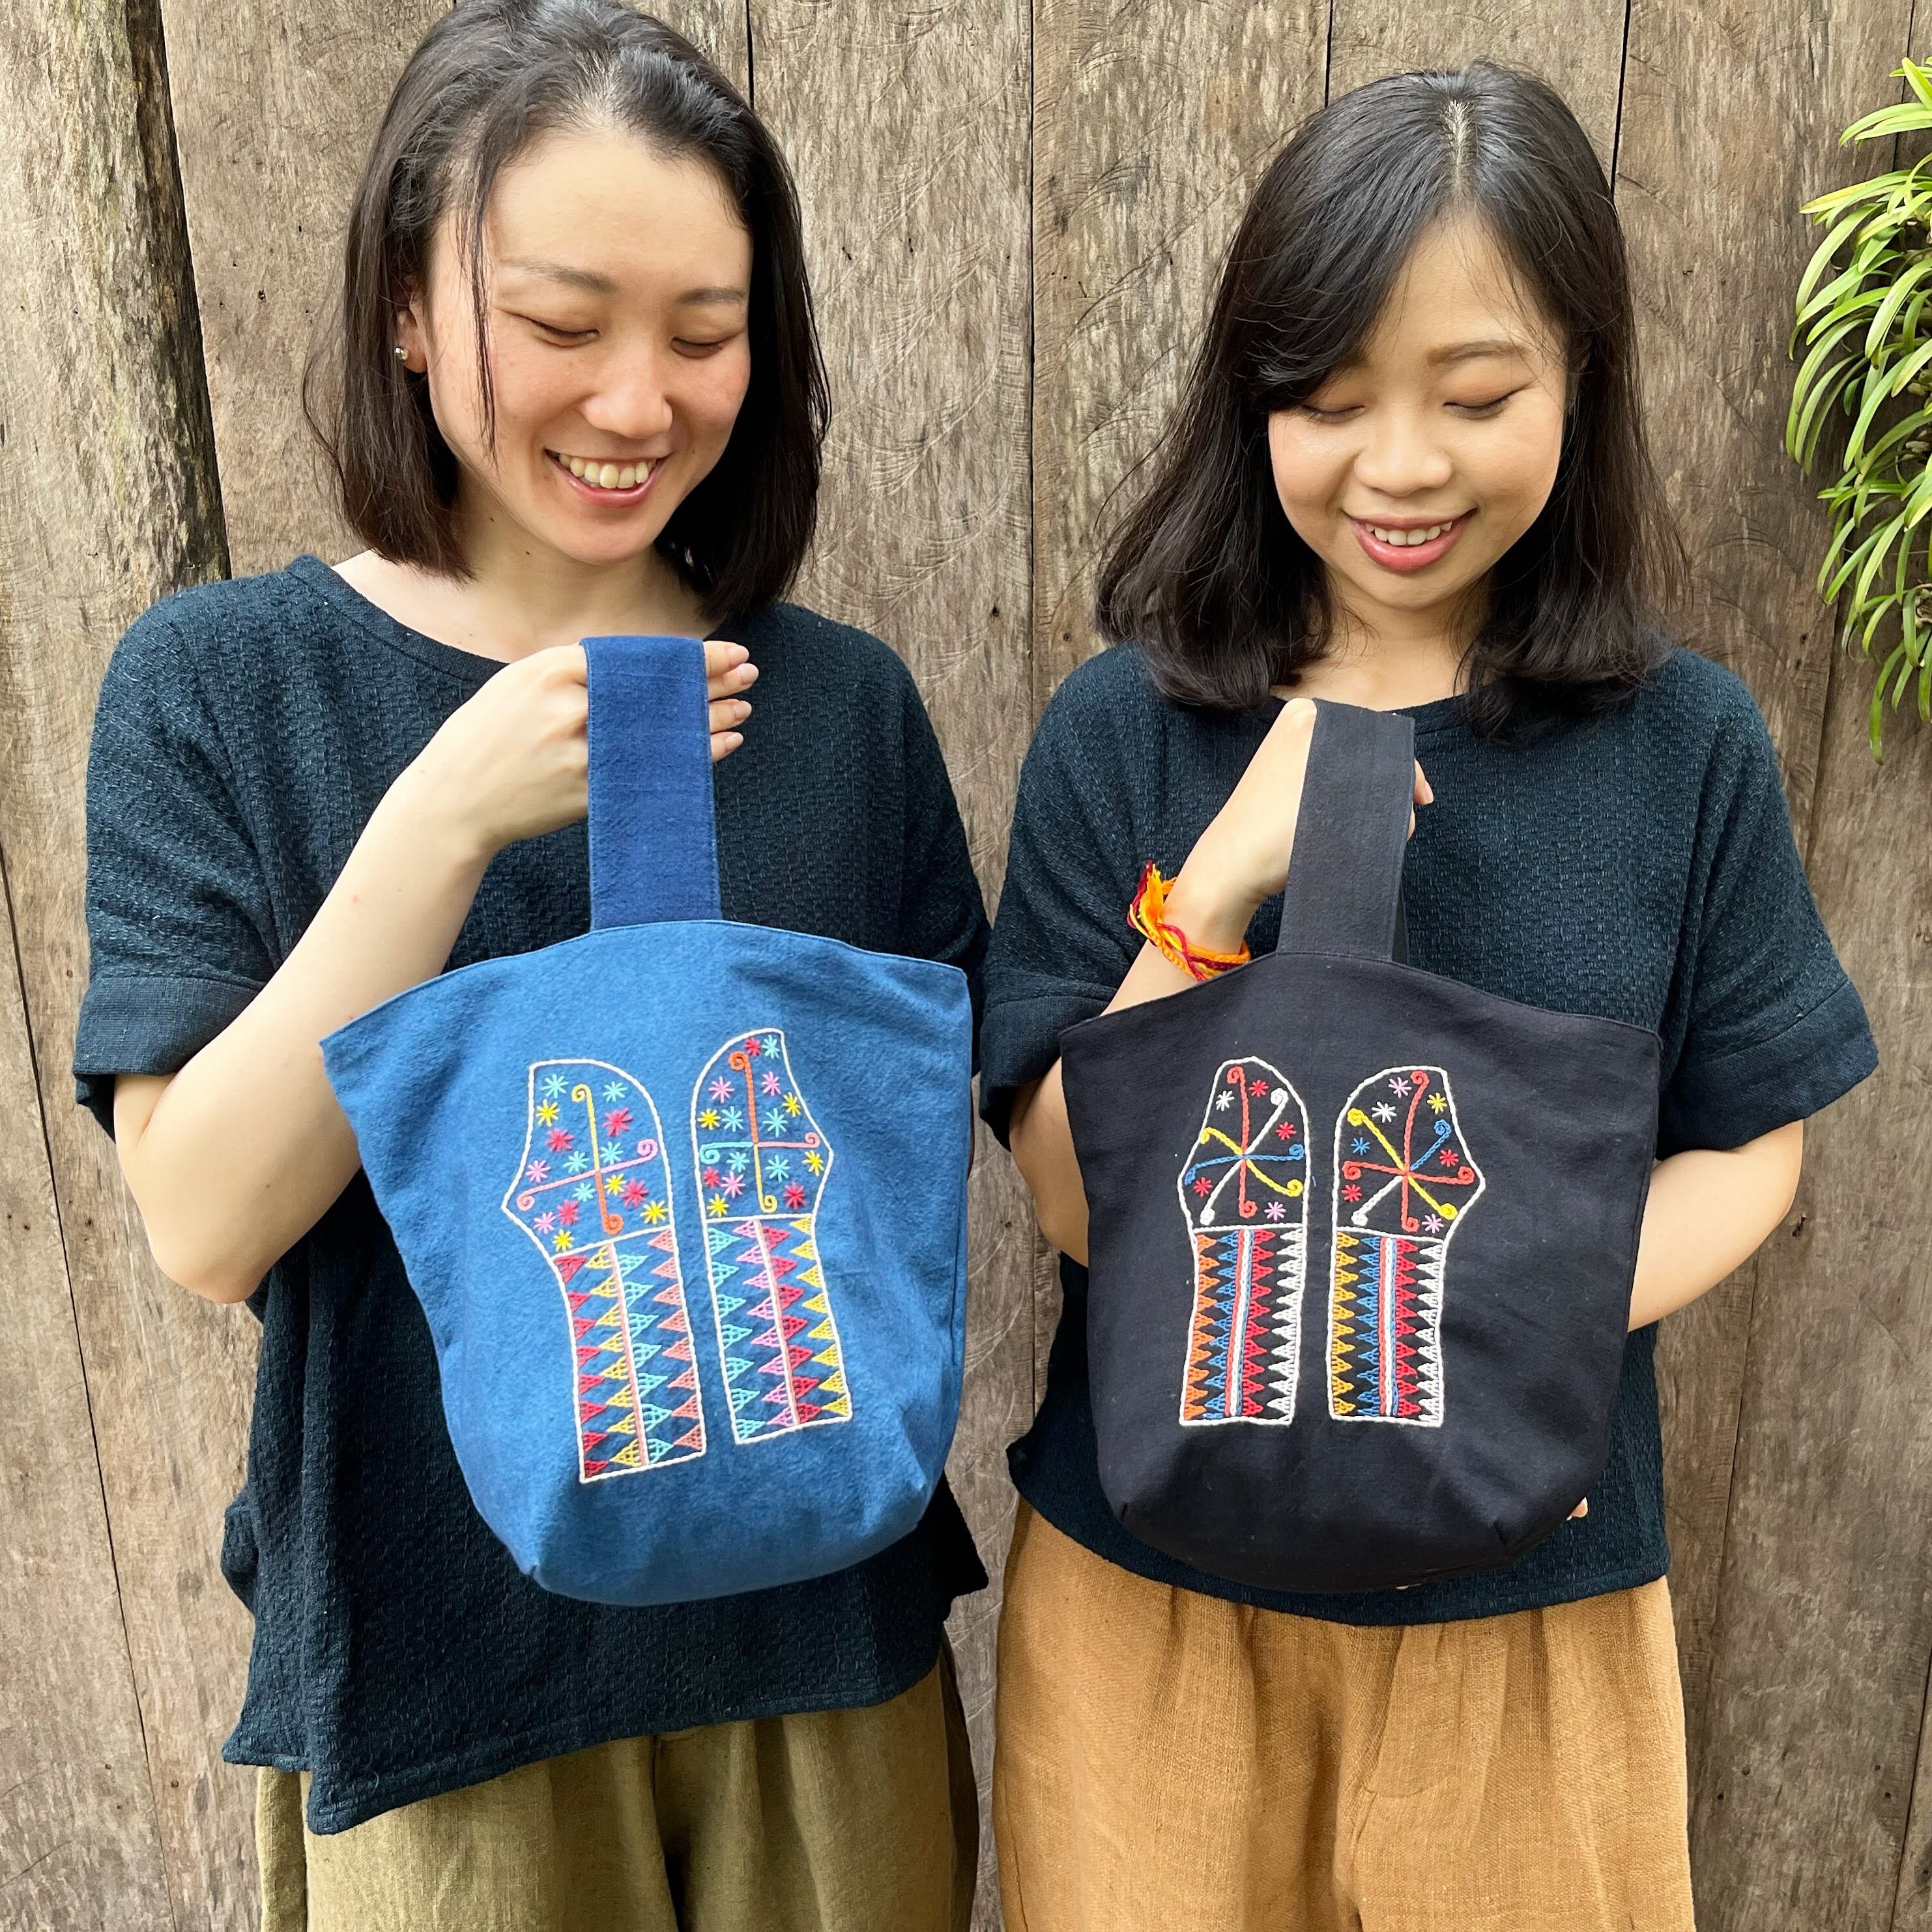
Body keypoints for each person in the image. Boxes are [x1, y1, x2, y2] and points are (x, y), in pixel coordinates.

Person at [72, 4, 985, 1926]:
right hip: (442, 1693)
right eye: (563, 324)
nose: (638, 401)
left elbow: (918, 1170)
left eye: (705, 332)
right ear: (410, 308)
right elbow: (210, 1225)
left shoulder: (840, 709)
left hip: (822, 1656)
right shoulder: (226, 690)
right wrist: (441, 819)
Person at [981, 61, 1877, 1932]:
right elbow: (1070, 1199)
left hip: (1531, 1624)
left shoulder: (1686, 751)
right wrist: (1216, 887)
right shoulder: (1120, 732)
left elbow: (1756, 1148)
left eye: (1475, 398)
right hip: (1155, 1614)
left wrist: (1509, 1338)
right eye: (1330, 399)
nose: (1400, 466)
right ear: (1253, 398)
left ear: (1580, 383)